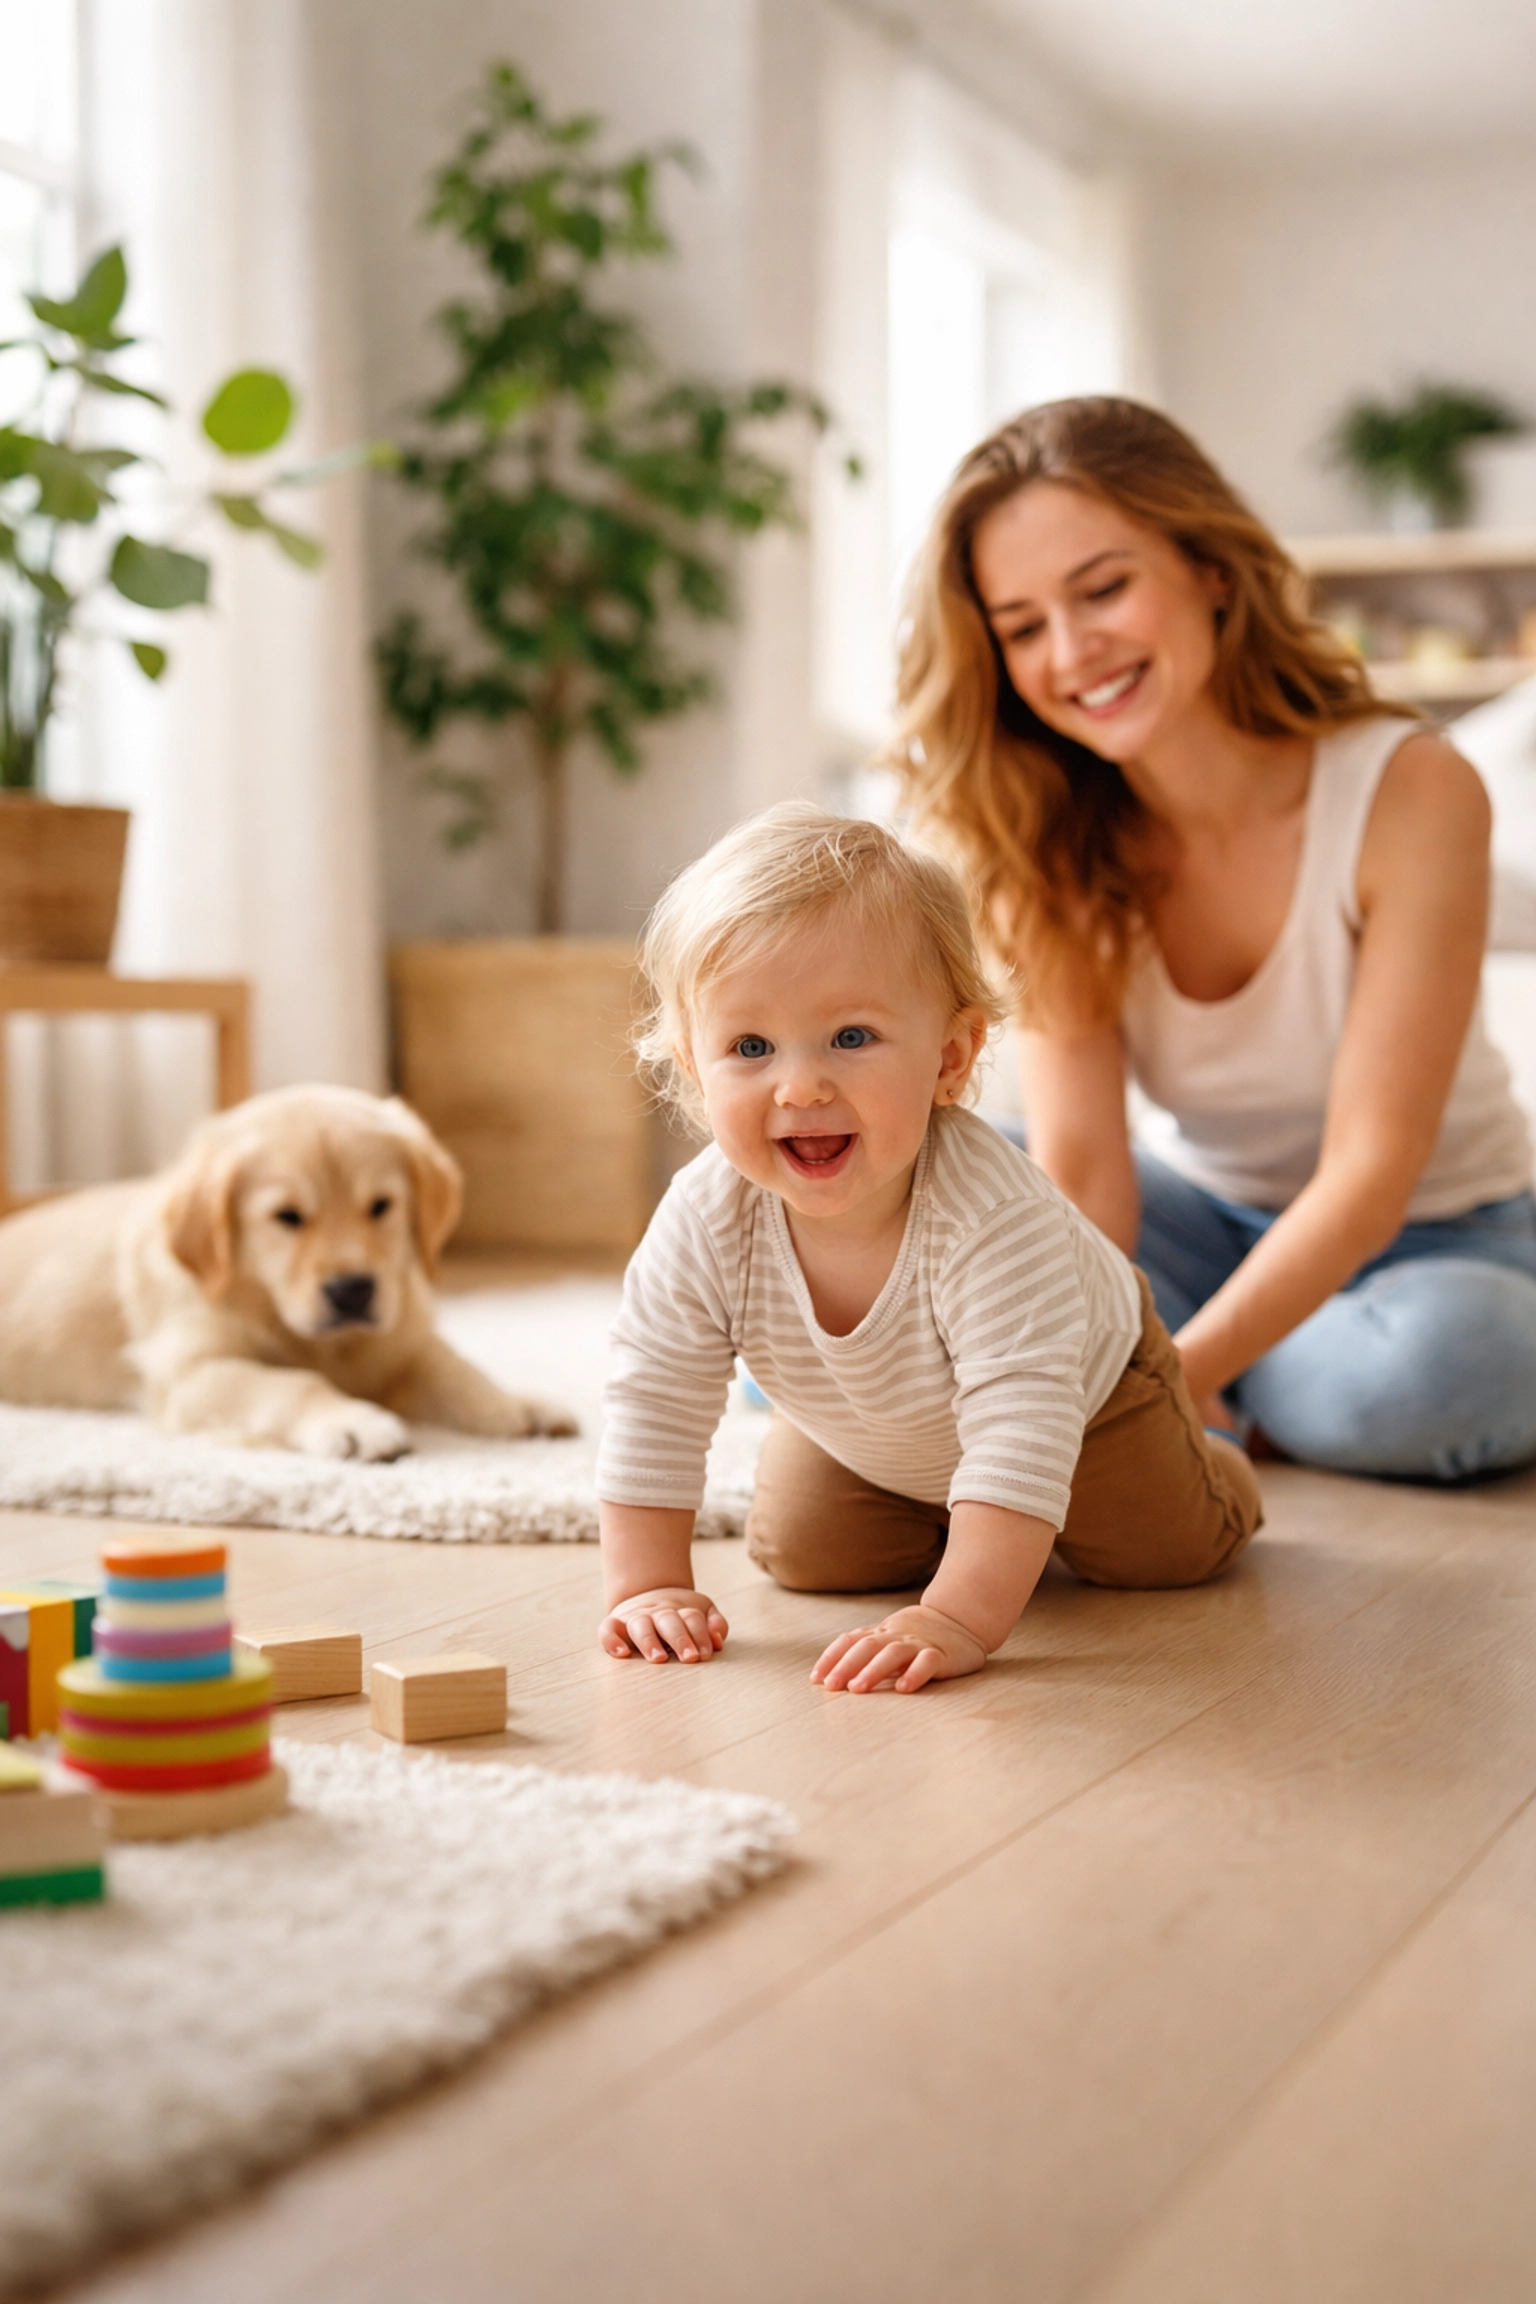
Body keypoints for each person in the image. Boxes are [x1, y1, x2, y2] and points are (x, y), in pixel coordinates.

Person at [893, 396, 1536, 1481]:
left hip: (1438, 1246)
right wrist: (1114, 1362)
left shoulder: (1413, 789)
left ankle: (1230, 1385)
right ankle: (1249, 1390)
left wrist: (1167, 1379)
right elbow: (1088, 1168)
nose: (1072, 651)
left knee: (1434, 1371)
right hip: (1193, 1218)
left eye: (1103, 589)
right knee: (894, 1191)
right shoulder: (1040, 830)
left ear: (1211, 568)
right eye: (1022, 627)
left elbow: (1372, 1173)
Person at [594, 805, 1261, 1693]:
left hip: (1093, 1403)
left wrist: (956, 1617)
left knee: (1162, 1553)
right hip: (874, 1419)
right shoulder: (704, 1215)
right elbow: (655, 1390)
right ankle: (969, 1521)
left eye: (852, 1037)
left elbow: (1025, 1422)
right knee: (808, 1555)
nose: (801, 1086)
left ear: (951, 1056)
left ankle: (1215, 1466)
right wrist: (648, 1587)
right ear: (692, 1067)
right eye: (749, 1047)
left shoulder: (989, 1215)